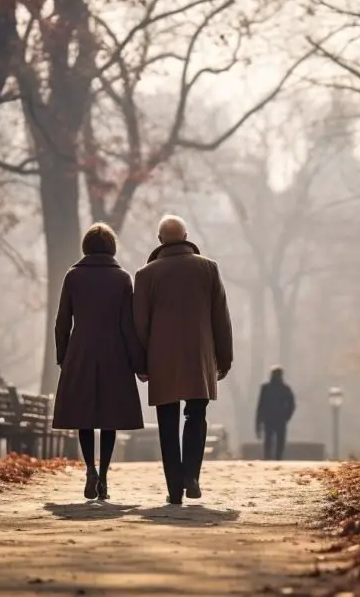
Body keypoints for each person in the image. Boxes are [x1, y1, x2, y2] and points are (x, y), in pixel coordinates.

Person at [133, 215, 233, 505]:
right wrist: (224, 358)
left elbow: (140, 324)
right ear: (187, 236)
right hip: (199, 356)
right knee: (196, 415)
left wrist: (140, 362)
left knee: (167, 422)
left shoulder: (146, 275)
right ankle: (192, 475)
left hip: (161, 357)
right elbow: (221, 319)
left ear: (160, 240)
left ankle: (174, 487)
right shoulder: (208, 269)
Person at [52, 222, 145, 501]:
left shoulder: (73, 276)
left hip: (80, 350)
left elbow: (61, 321)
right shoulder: (122, 278)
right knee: (109, 417)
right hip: (114, 352)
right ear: (111, 247)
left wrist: (63, 356)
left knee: (84, 415)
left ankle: (89, 470)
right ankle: (104, 475)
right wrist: (138, 362)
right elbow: (128, 324)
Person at [255, 366, 295, 461]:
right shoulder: (284, 388)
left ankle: (268, 456)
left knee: (269, 438)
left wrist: (258, 423)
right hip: (280, 417)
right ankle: (278, 457)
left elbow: (260, 406)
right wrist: (287, 415)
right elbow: (291, 404)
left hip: (269, 417)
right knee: (279, 439)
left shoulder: (266, 388)